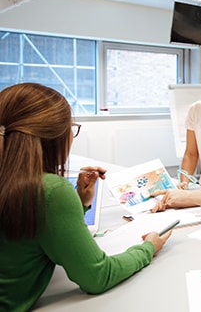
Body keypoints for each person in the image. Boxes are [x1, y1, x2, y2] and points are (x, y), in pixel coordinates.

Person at [0, 83, 172, 311]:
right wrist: (148, 248)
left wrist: (80, 201)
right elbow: (97, 276)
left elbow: (30, 233)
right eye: (71, 128)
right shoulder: (49, 190)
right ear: (54, 137)